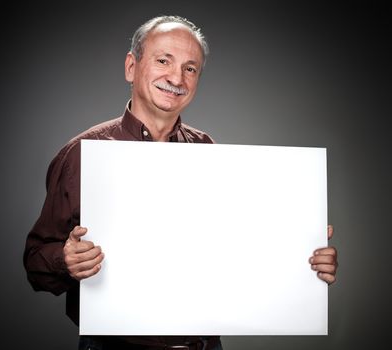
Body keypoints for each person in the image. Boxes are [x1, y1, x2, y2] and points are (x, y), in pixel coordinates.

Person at [23, 15, 338, 350]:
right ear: (132, 67)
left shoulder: (208, 151)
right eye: (163, 61)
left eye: (190, 68)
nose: (176, 78)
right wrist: (66, 260)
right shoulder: (81, 155)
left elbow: (240, 243)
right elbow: (35, 261)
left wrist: (306, 257)